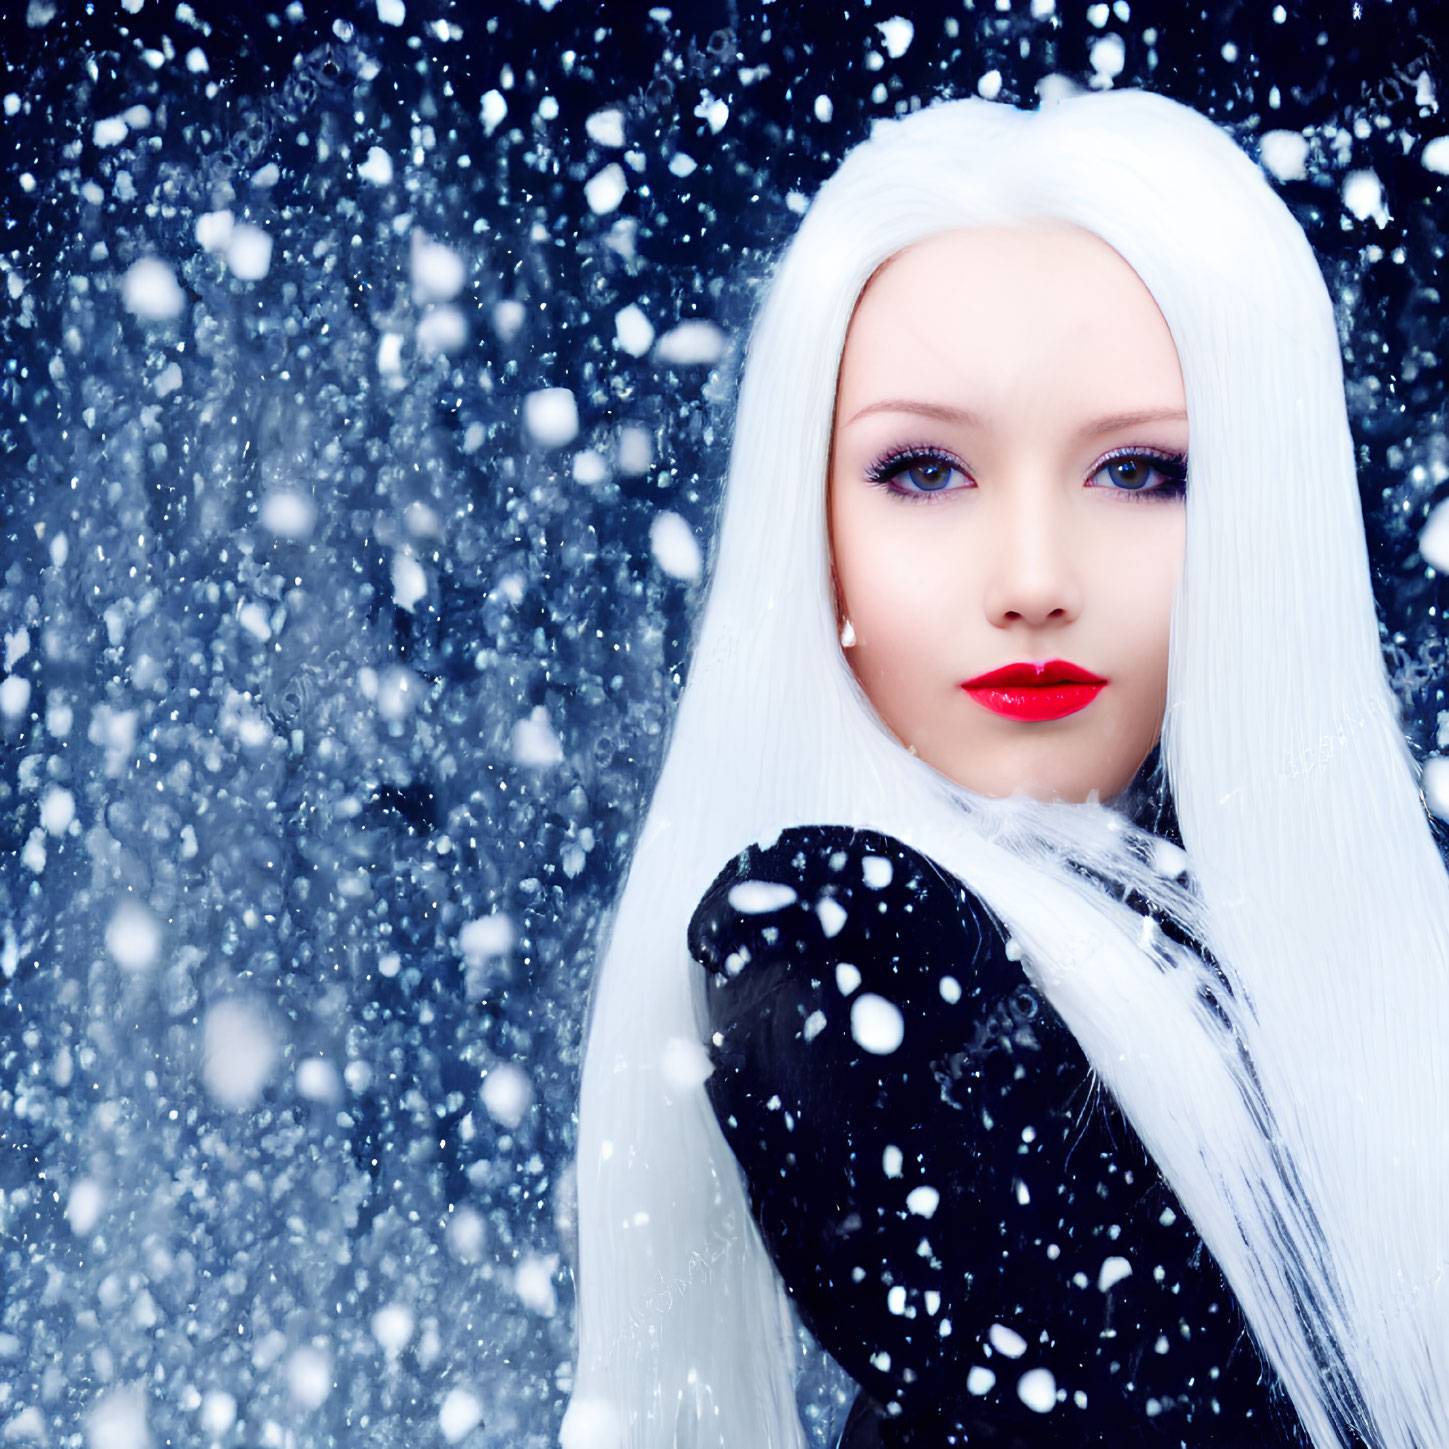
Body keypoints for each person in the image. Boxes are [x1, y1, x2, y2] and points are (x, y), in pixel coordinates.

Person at [563, 90, 1449, 1449]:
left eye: (1139, 472)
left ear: (1265, 510)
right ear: (811, 521)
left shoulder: (1337, 982)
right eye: (924, 471)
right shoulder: (840, 935)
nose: (1033, 580)